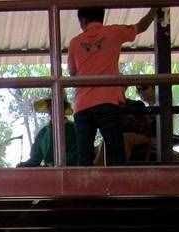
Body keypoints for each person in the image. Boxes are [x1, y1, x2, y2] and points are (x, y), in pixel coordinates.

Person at [68, 7, 159, 166]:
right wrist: (154, 10)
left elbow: (72, 74)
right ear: (102, 17)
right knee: (116, 153)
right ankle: (117, 189)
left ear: (82, 21)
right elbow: (140, 26)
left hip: (82, 106)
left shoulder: (74, 43)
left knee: (84, 158)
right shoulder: (114, 32)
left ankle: (83, 190)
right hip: (107, 103)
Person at [18, 98, 78, 167]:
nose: (53, 108)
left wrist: (56, 164)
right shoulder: (43, 132)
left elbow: (78, 153)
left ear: (64, 108)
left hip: (70, 172)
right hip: (49, 173)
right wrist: (24, 165)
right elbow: (35, 159)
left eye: (58, 105)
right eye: (50, 105)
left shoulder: (74, 129)